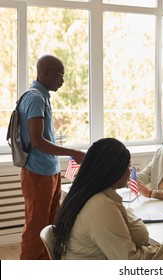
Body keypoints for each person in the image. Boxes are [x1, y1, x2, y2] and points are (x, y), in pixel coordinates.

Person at [53, 138, 163, 259]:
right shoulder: (101, 207)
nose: (130, 171)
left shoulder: (85, 194)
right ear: (113, 171)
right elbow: (130, 261)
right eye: (127, 166)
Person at [18, 54, 85, 259]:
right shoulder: (35, 98)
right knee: (36, 229)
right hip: (38, 172)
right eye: (59, 76)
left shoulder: (43, 96)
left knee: (49, 227)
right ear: (44, 73)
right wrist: (72, 153)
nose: (62, 81)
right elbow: (37, 141)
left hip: (49, 171)